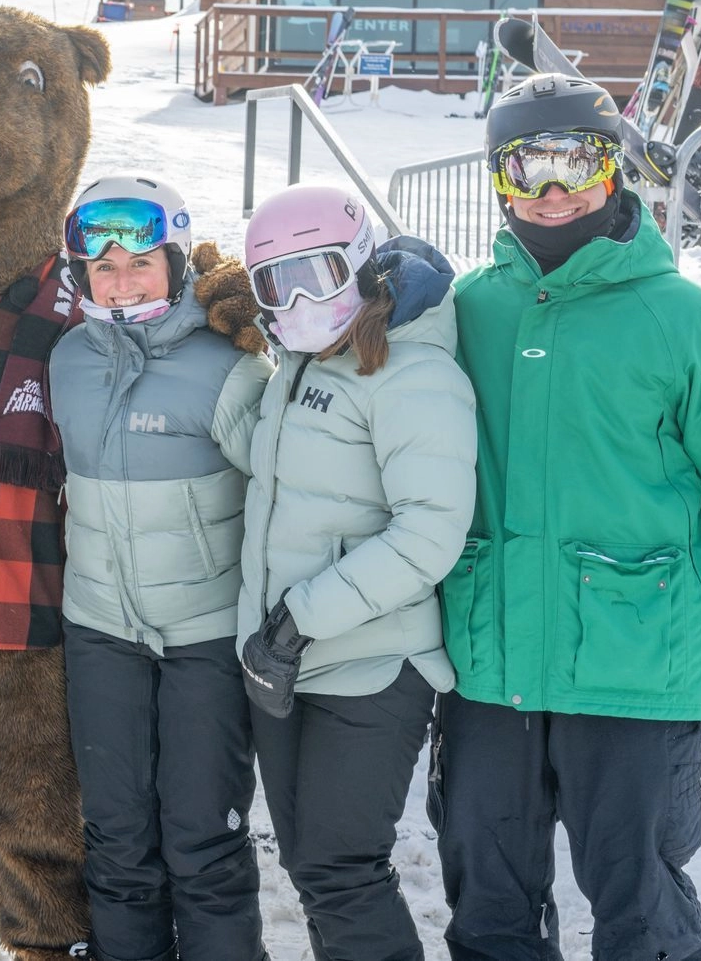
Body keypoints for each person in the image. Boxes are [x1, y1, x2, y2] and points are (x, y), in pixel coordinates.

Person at [435, 73, 701, 960]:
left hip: (636, 670)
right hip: (490, 670)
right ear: (499, 178)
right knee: (487, 905)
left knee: (641, 908)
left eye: (581, 164)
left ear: (618, 172)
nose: (556, 191)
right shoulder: (462, 310)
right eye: (531, 168)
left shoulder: (692, 325)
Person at [236, 183, 475, 961]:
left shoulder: (415, 372)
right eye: (279, 282)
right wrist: (234, 359)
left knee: (343, 869)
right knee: (311, 867)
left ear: (364, 263)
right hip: (290, 662)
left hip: (372, 666)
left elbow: (429, 533)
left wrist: (300, 618)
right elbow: (269, 474)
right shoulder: (297, 368)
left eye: (323, 271)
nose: (302, 297)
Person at [48, 175, 273, 961]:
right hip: (100, 630)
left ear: (177, 262)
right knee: (115, 837)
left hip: (204, 638)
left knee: (202, 837)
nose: (121, 282)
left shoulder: (229, 365)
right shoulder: (68, 360)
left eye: (141, 263)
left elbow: (286, 494)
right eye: (103, 268)